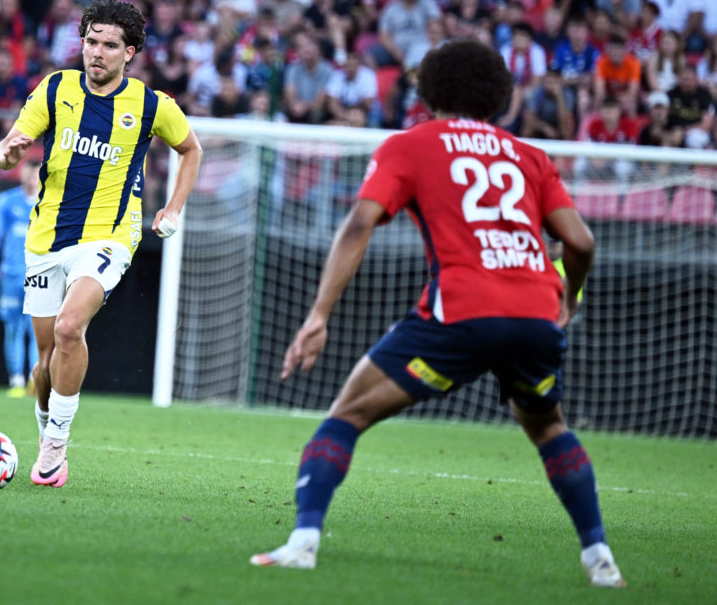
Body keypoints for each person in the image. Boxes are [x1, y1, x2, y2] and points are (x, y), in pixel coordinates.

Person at [249, 39, 625, 589]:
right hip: (536, 315)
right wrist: (569, 298)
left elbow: (359, 223)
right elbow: (581, 242)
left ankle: (303, 541)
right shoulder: (529, 155)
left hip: (461, 315)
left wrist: (318, 315)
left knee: (347, 414)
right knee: (548, 427)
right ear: (498, 94)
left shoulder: (413, 145)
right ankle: (600, 558)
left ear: (426, 91)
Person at [0, 0, 202, 488]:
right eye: (91, 41)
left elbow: (191, 150)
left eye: (110, 45)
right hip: (45, 238)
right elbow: (10, 151)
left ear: (129, 53)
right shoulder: (55, 88)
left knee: (70, 329)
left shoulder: (152, 105)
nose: (97, 53)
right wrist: (7, 153)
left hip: (110, 236)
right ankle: (47, 435)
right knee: (44, 364)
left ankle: (57, 443)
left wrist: (173, 206)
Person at [0, 159, 41, 397]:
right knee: (13, 328)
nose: (30, 179)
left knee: (37, 329)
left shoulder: (49, 202)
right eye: (27, 174)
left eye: (35, 174)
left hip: (39, 275)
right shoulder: (7, 201)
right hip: (11, 275)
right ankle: (16, 380)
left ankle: (34, 381)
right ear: (21, 175)